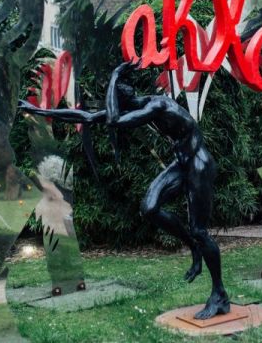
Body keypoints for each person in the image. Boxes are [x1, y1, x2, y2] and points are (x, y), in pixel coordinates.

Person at [19, 62, 230, 320]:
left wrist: (115, 75)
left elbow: (114, 120)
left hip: (199, 164)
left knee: (200, 231)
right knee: (149, 208)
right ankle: (193, 247)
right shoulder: (139, 107)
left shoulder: (157, 105)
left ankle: (219, 294)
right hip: (182, 163)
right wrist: (38, 110)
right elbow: (86, 117)